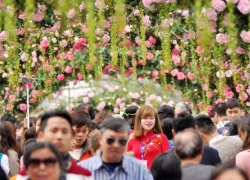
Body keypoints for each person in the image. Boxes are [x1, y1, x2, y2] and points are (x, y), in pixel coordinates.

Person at [16, 110, 92, 179]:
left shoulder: (83, 175)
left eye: (64, 131)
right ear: (41, 136)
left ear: (71, 136)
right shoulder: (25, 176)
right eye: (54, 131)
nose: (59, 136)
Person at [79, 117, 153, 179]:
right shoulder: (82, 170)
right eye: (110, 140)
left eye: (122, 141)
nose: (116, 145)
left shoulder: (140, 170)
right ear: (100, 139)